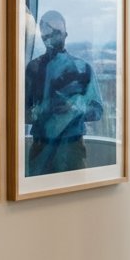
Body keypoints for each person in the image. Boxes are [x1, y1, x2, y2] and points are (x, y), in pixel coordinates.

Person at [25, 10, 103, 176]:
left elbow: (97, 111)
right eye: (48, 33)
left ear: (65, 34)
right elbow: (22, 114)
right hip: (41, 148)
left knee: (76, 199)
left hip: (72, 148)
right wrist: (43, 109)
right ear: (41, 36)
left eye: (57, 32)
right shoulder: (33, 69)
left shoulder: (83, 69)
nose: (52, 37)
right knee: (37, 199)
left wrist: (75, 107)